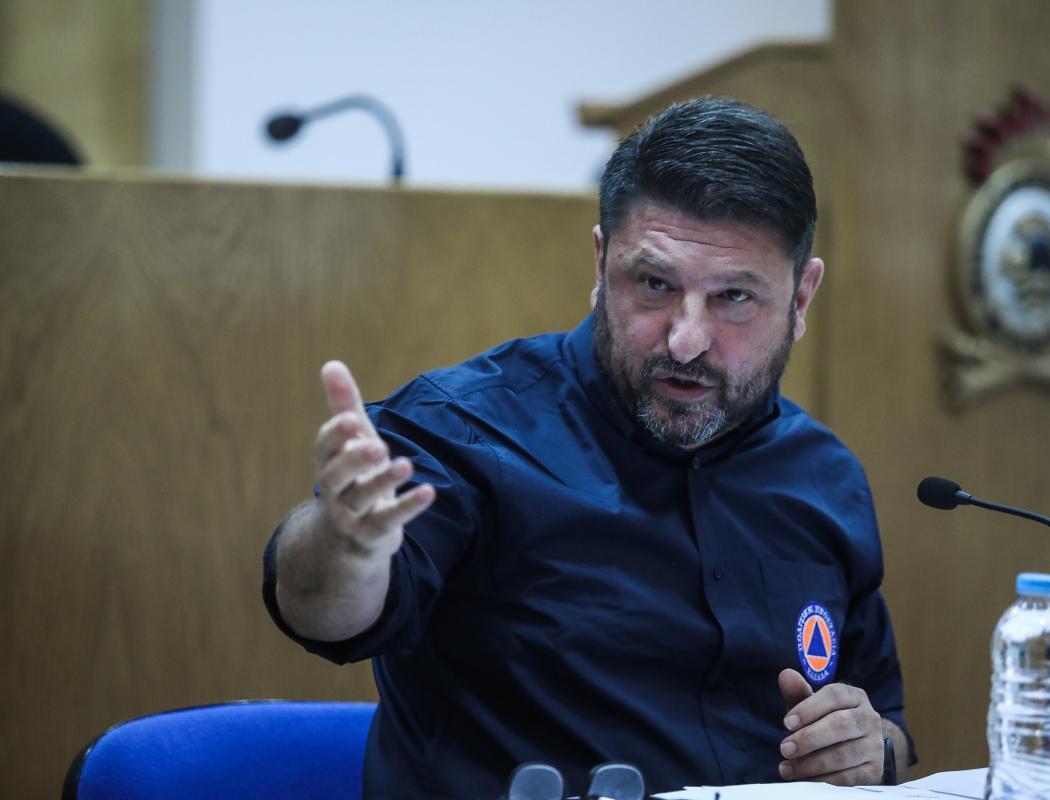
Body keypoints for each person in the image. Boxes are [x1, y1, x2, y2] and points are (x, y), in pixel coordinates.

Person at [264, 96, 913, 799]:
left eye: (734, 298)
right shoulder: (466, 427)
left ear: (801, 298)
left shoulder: (825, 477)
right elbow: (321, 611)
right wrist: (344, 543)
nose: (686, 340)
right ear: (602, 265)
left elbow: (888, 727)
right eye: (655, 285)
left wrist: (869, 749)